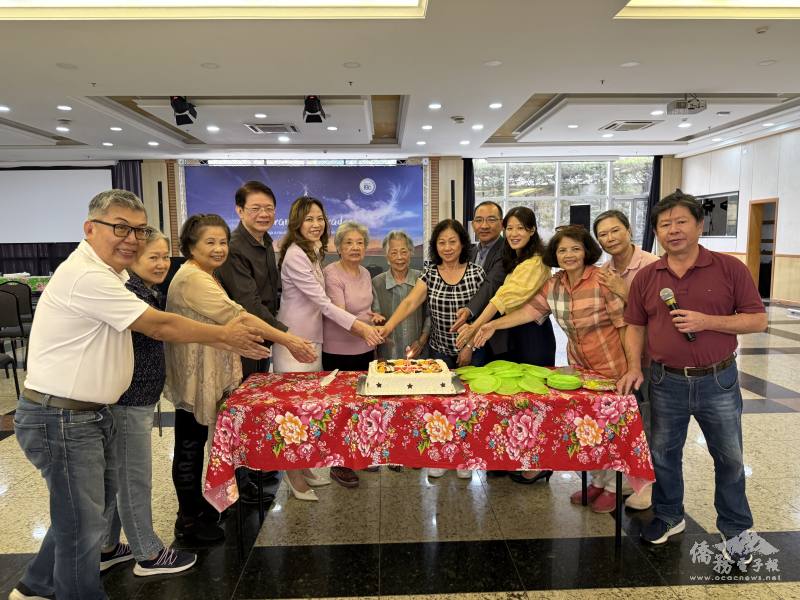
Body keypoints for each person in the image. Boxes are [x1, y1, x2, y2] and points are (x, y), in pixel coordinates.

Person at [11, 190, 269, 600]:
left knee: (81, 515)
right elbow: (160, 326)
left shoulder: (112, 274)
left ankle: (35, 586)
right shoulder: (89, 276)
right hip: (62, 418)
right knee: (83, 525)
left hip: (89, 413)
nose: (131, 238)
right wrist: (226, 335)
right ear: (90, 228)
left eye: (138, 230)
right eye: (120, 228)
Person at [618, 191, 766, 557]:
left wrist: (707, 321)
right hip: (664, 380)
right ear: (656, 232)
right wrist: (634, 366)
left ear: (699, 226)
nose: (673, 230)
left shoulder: (729, 268)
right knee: (664, 453)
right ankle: (669, 515)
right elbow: (635, 325)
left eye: (681, 222)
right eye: (664, 224)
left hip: (718, 379)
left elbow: (757, 320)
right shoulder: (648, 276)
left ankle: (736, 530)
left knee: (729, 458)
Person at [164, 214, 317, 542]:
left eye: (222, 242)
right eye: (210, 242)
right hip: (193, 374)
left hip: (202, 369)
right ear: (191, 245)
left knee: (196, 440)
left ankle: (198, 508)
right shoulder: (193, 279)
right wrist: (288, 339)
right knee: (190, 445)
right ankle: (187, 520)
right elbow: (239, 315)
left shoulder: (205, 274)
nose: (219, 248)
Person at [472, 225, 630, 511]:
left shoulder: (602, 280)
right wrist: (492, 325)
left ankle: (614, 486)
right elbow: (529, 311)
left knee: (612, 426)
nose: (569, 255)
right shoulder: (555, 284)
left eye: (575, 249)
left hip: (612, 364)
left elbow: (624, 325)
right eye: (562, 250)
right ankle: (597, 481)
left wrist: (632, 367)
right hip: (580, 367)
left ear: (586, 251)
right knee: (590, 425)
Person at [101, 230, 197, 577]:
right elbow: (162, 329)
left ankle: (106, 547)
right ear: (132, 259)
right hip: (129, 401)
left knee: (116, 477)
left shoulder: (147, 290)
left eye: (164, 256)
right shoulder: (130, 293)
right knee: (133, 478)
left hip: (136, 398)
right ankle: (148, 554)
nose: (161, 264)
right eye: (152, 257)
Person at [275, 197, 383, 498]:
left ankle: (305, 468)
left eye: (319, 218)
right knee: (294, 412)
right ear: (296, 222)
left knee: (307, 409)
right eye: (309, 219)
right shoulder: (296, 255)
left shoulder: (311, 253)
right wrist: (362, 328)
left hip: (312, 340)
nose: (315, 224)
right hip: (294, 342)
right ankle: (292, 475)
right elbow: (323, 303)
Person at [454, 206, 556, 484]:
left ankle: (539, 463)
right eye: (510, 228)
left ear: (532, 230)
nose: (514, 233)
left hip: (533, 336)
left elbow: (503, 297)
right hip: (510, 334)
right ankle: (514, 457)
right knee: (512, 401)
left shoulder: (536, 262)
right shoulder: (515, 257)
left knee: (534, 401)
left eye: (520, 228)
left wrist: (475, 327)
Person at [378, 219, 485, 480]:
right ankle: (443, 456)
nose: (447, 248)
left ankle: (465, 458)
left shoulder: (476, 273)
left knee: (469, 405)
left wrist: (469, 344)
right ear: (435, 246)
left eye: (452, 242)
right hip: (440, 352)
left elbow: (484, 314)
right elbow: (409, 303)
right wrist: (388, 327)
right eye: (441, 242)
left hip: (473, 350)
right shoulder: (430, 274)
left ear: (462, 244)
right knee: (441, 406)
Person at [217, 180, 286, 502]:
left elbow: (271, 294)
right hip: (243, 340)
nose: (263, 214)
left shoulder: (265, 241)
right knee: (241, 407)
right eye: (255, 208)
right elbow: (250, 303)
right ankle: (241, 483)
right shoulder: (234, 248)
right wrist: (285, 334)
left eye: (269, 208)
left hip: (262, 338)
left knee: (255, 402)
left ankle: (254, 468)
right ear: (239, 210)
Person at [593, 209, 659, 510]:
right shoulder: (605, 270)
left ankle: (646, 486)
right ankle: (620, 481)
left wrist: (624, 290)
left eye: (615, 230)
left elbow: (660, 313)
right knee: (628, 423)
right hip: (623, 360)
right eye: (603, 234)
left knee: (651, 424)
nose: (610, 238)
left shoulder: (652, 265)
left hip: (653, 357)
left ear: (629, 229)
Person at [451, 201, 507, 365]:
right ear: (473, 225)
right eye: (479, 220)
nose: (484, 225)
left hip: (495, 338)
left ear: (501, 224)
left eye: (491, 219)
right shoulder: (471, 252)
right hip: (468, 332)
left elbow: (490, 286)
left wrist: (468, 310)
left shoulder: (507, 251)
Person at [371, 230, 430, 360]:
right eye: (394, 252)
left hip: (418, 353)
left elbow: (429, 315)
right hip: (388, 353)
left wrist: (421, 342)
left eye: (404, 252)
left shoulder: (422, 279)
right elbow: (375, 318)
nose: (399, 257)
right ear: (387, 257)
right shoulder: (377, 283)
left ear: (410, 253)